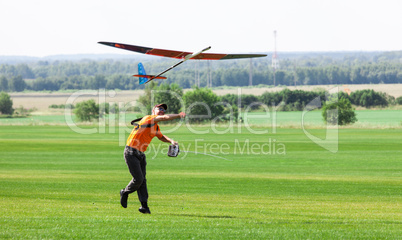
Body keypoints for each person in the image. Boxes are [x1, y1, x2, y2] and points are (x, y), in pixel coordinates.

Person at [120, 103, 186, 214]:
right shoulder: (148, 119)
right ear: (153, 110)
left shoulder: (155, 126)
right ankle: (125, 192)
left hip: (141, 154)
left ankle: (144, 206)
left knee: (143, 181)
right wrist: (179, 115)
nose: (162, 111)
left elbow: (161, 136)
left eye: (163, 110)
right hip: (131, 152)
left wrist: (171, 141)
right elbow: (164, 118)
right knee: (138, 179)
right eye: (159, 108)